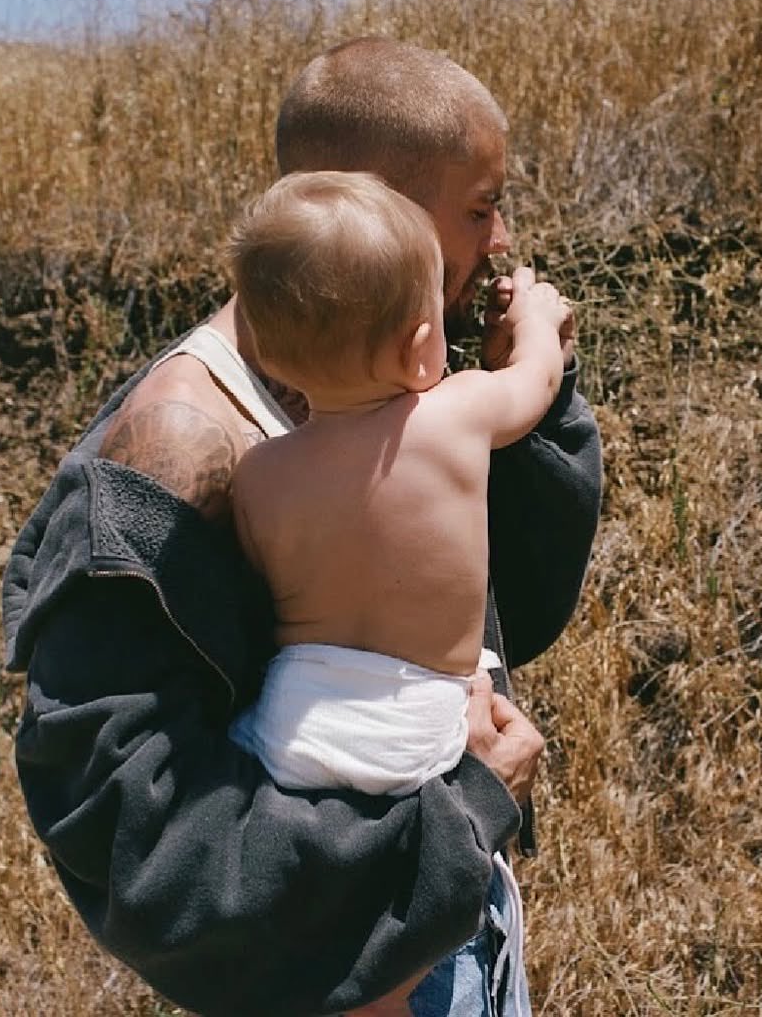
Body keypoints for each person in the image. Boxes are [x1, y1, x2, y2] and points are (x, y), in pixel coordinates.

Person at [2, 36, 603, 1016]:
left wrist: (524, 408)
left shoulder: (377, 376)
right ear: (373, 211)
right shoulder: (171, 454)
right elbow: (144, 856)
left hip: (446, 920)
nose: (502, 242)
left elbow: (516, 611)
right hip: (344, 972)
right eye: (483, 207)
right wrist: (463, 814)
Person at [226, 170, 571, 1014]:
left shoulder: (257, 476)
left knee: (340, 938)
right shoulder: (455, 416)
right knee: (424, 926)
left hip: (293, 730)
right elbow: (537, 383)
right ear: (425, 344)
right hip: (424, 725)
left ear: (267, 355)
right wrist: (537, 322)